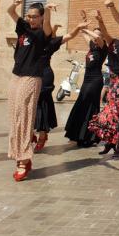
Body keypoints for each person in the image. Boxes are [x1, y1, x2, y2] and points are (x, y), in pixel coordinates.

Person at [6, 0, 53, 181]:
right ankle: (20, 154)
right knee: (14, 116)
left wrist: (48, 11)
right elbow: (10, 12)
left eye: (35, 17)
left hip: (32, 77)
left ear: (41, 18)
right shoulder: (23, 29)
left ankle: (23, 160)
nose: (31, 19)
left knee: (24, 116)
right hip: (16, 75)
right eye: (29, 16)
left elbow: (48, 26)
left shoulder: (43, 33)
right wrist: (15, 4)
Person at [88, 6, 119, 155]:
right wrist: (100, 21)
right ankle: (110, 142)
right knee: (110, 111)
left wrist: (114, 8)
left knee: (117, 113)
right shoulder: (114, 43)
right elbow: (105, 34)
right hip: (113, 80)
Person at [34, 22, 87, 153]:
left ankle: (42, 134)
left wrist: (78, 27)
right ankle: (30, 133)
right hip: (30, 76)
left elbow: (69, 35)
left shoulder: (50, 43)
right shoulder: (30, 41)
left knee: (43, 103)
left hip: (45, 76)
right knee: (31, 104)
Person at [64, 12, 108, 148]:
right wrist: (83, 22)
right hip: (86, 79)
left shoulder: (102, 46)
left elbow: (95, 36)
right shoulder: (92, 46)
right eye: (94, 35)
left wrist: (93, 31)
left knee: (89, 106)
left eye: (97, 35)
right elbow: (83, 33)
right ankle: (77, 134)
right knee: (81, 104)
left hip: (95, 80)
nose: (94, 37)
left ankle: (89, 136)